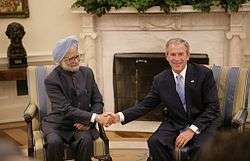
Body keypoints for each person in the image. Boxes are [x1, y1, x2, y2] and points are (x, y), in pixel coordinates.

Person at [105, 38, 222, 161]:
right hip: (176, 121)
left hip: (203, 122)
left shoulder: (203, 73)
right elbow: (145, 105)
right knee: (155, 142)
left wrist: (191, 130)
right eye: (172, 54)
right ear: (166, 56)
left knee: (202, 147)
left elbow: (213, 108)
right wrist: (117, 117)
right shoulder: (160, 80)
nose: (176, 59)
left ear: (188, 56)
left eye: (181, 54)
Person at [42, 35, 110, 161]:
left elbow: (97, 101)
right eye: (70, 59)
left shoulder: (87, 73)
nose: (76, 61)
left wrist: (88, 122)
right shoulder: (51, 80)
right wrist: (95, 117)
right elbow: (65, 109)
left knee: (86, 139)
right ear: (60, 60)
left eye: (77, 56)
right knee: (54, 142)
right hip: (58, 124)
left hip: (82, 124)